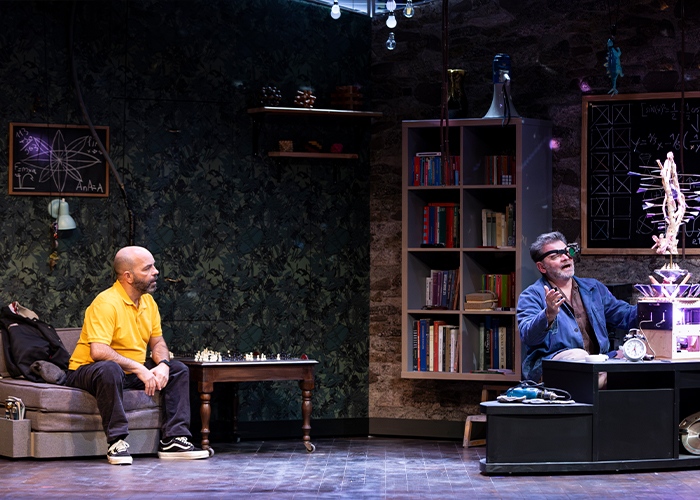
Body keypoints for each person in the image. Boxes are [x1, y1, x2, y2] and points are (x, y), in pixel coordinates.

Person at [65, 246, 209, 465]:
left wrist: (163, 364)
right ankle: (116, 442)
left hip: (127, 371)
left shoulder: (148, 302)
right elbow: (99, 351)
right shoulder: (106, 303)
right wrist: (139, 368)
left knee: (177, 369)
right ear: (128, 276)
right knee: (110, 369)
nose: (156, 272)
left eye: (154, 266)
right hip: (87, 370)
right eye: (148, 268)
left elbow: (158, 342)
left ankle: (174, 440)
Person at [517, 232, 637, 384]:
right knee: (579, 357)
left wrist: (655, 303)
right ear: (542, 267)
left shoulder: (593, 288)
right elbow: (528, 336)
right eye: (555, 256)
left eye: (567, 252)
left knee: (636, 361)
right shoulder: (531, 296)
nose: (565, 257)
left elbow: (625, 315)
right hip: (551, 367)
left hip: (596, 364)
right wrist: (548, 315)